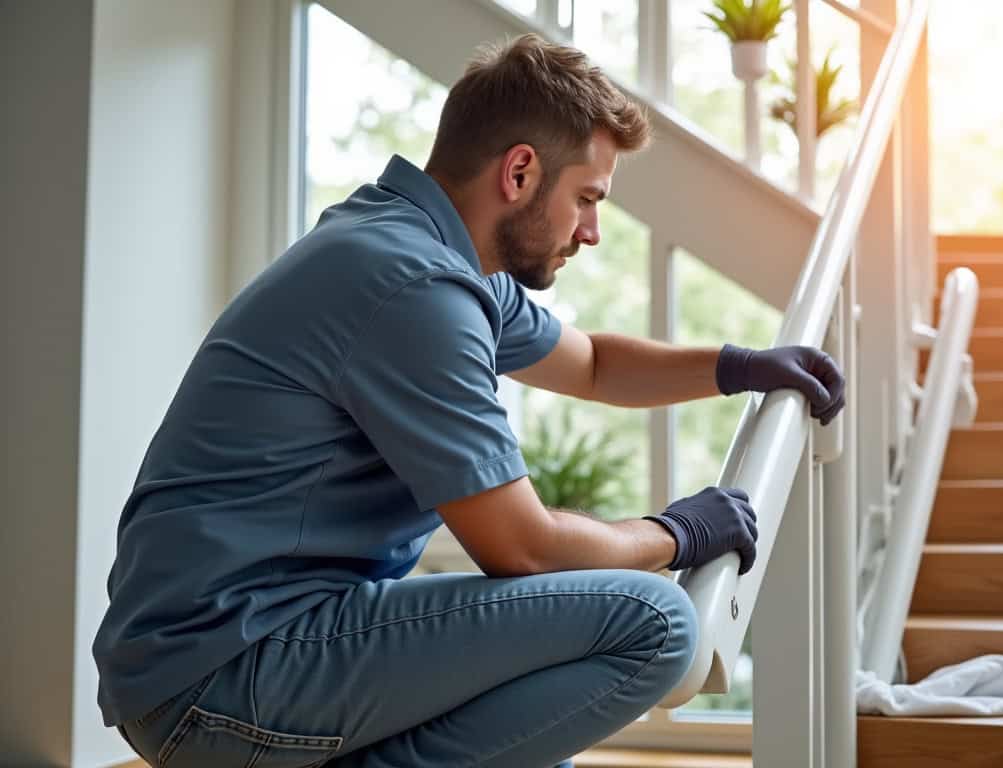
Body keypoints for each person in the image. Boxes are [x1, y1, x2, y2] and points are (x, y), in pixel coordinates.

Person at [93, 33, 845, 768]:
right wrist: (677, 531)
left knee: (538, 733)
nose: (590, 231)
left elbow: (592, 366)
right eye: (586, 198)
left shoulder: (432, 256)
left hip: (230, 650)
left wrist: (741, 365)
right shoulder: (413, 287)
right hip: (226, 671)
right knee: (654, 621)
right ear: (519, 173)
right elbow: (522, 547)